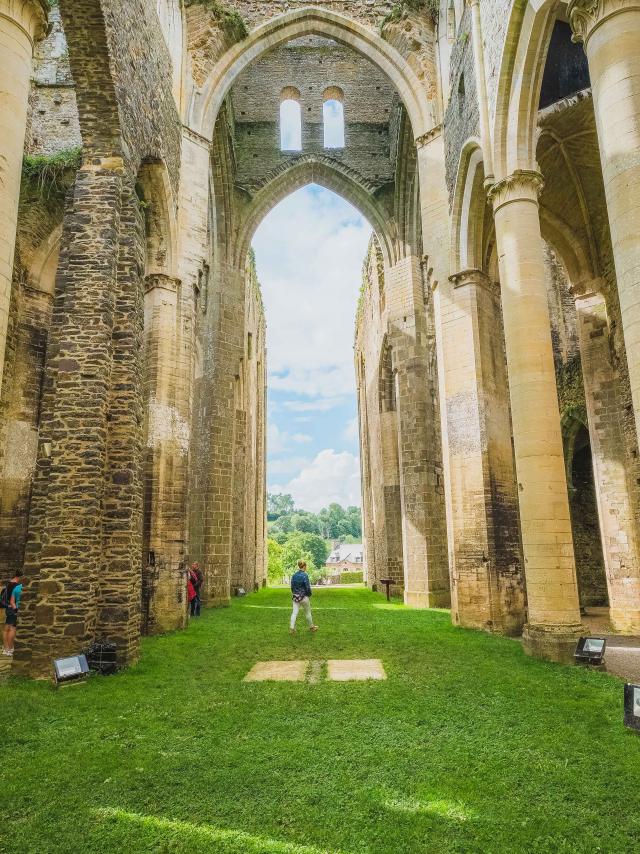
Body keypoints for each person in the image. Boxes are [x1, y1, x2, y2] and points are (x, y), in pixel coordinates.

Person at [290, 560, 318, 634]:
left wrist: (295, 593)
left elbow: (292, 587)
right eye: (306, 566)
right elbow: (307, 587)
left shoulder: (294, 575)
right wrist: (309, 594)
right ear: (304, 566)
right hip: (304, 597)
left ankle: (291, 628)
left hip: (296, 597)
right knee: (308, 612)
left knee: (294, 613)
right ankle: (311, 627)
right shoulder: (305, 575)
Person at [2, 572, 23, 657]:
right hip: (14, 608)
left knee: (6, 629)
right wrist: (16, 609)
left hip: (8, 608)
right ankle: (10, 649)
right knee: (12, 629)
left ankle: (6, 649)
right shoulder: (18, 586)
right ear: (19, 577)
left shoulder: (8, 584)